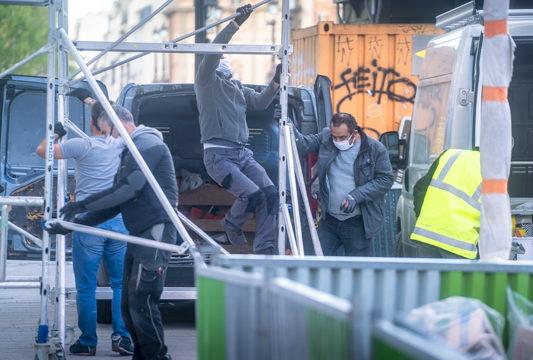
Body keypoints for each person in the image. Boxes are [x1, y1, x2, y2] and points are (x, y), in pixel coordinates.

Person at [46, 105, 177, 360]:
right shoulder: (131, 149)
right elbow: (118, 200)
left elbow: (128, 189)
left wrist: (82, 204)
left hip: (155, 232)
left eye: (111, 132)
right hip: (139, 233)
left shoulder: (147, 143)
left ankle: (157, 356)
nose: (111, 139)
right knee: (129, 304)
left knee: (142, 301)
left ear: (120, 123)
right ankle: (143, 355)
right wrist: (75, 223)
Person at [36, 100, 133, 356]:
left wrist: (55, 132)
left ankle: (88, 342)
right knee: (120, 284)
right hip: (119, 222)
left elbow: (42, 150)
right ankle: (122, 338)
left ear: (91, 123)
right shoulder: (123, 145)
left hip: (88, 221)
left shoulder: (82, 145)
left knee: (87, 286)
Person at [194, 3, 281, 255]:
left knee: (270, 194)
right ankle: (230, 224)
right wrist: (235, 24)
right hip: (219, 156)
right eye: (222, 57)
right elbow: (212, 53)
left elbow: (261, 102)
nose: (225, 61)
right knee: (252, 194)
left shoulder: (236, 88)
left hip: (243, 154)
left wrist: (275, 81)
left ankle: (264, 248)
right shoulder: (206, 83)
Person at [294, 112, 393, 256]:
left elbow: (385, 179)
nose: (337, 141)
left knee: (356, 272)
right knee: (317, 264)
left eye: (342, 137)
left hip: (358, 223)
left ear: (354, 132)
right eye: (334, 137)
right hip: (330, 220)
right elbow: (302, 145)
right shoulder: (326, 138)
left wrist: (357, 196)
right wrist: (290, 127)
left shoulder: (374, 149)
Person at [409, 149, 481, 259]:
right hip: (459, 246)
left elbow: (420, 187)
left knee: (429, 276)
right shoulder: (493, 171)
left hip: (427, 237)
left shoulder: (450, 154)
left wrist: (423, 217)